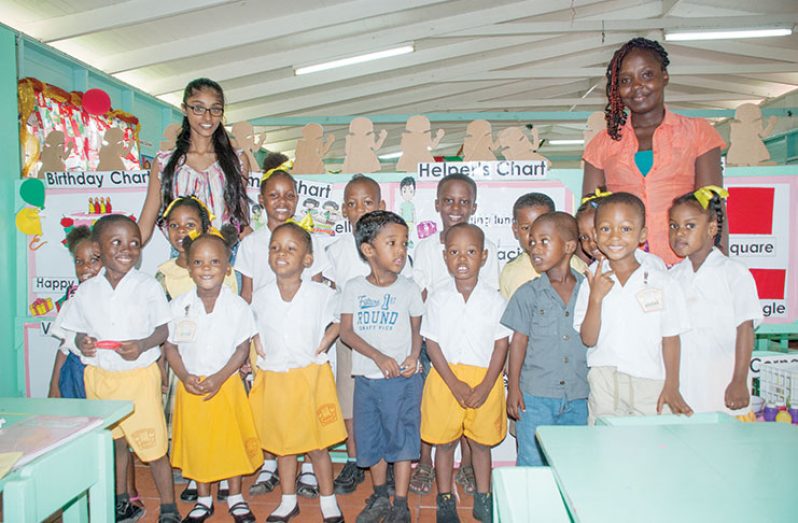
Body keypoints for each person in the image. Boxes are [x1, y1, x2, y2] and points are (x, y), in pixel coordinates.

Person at [60, 215, 179, 522]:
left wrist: (142, 344)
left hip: (138, 378)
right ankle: (122, 501)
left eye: (134, 243)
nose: (127, 249)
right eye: (117, 243)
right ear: (98, 247)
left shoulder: (147, 286)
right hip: (100, 379)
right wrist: (81, 342)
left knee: (153, 447)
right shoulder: (86, 292)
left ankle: (168, 507)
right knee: (116, 444)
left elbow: (163, 330)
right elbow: (71, 332)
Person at [582, 38, 725, 265]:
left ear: (664, 75)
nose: (637, 86)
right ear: (617, 89)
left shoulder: (698, 133)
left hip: (684, 267)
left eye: (646, 75)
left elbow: (713, 211)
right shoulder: (601, 144)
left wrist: (719, 266)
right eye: (626, 80)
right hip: (625, 269)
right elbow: (588, 218)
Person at [249, 223, 346, 523]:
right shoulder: (261, 296)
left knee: (317, 446)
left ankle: (328, 500)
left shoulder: (320, 294)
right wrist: (255, 339)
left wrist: (327, 340)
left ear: (307, 259)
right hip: (276, 378)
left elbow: (344, 317)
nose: (282, 253)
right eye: (275, 247)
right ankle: (288, 500)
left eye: (291, 249)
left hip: (310, 378)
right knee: (283, 446)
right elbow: (252, 324)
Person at [164, 229, 261, 523]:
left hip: (226, 385)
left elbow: (242, 348)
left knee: (229, 442)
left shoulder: (237, 307)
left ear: (227, 267)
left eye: (214, 262)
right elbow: (170, 347)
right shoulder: (178, 306)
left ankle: (235, 496)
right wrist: (184, 376)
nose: (206, 268)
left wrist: (219, 378)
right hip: (190, 387)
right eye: (198, 262)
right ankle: (204, 499)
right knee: (199, 445)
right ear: (189, 268)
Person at [411, 172, 498, 497]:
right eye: (449, 200)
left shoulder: (484, 247)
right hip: (433, 336)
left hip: (471, 339)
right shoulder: (424, 248)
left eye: (463, 201)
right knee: (432, 405)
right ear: (437, 205)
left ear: (474, 206)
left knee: (468, 400)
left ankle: (469, 466)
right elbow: (419, 294)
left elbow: (488, 294)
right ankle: (425, 462)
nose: (456, 207)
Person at [573, 193, 693, 424]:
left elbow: (671, 338)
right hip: (605, 382)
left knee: (650, 450)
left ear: (642, 234)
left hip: (650, 383)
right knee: (605, 450)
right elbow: (588, 339)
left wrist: (672, 385)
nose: (615, 237)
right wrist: (595, 298)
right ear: (596, 235)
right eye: (606, 229)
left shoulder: (662, 281)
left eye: (626, 229)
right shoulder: (592, 281)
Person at [421, 223, 510, 523]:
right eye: (454, 252)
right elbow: (431, 344)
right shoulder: (437, 298)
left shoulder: (495, 300)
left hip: (485, 379)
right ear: (444, 257)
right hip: (445, 380)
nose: (462, 259)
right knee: (444, 443)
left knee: (481, 444)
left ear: (483, 257)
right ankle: (445, 497)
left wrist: (486, 385)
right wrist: (454, 383)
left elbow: (501, 345)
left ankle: (483, 497)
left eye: (471, 252)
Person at [339, 211, 424, 523]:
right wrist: (377, 356)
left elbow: (417, 331)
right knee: (370, 438)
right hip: (367, 380)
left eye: (404, 243)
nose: (400, 250)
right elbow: (346, 332)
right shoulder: (353, 288)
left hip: (402, 381)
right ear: (369, 249)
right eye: (392, 243)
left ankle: (400, 502)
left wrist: (414, 357)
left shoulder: (409, 289)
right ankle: (378, 496)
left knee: (402, 440)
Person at [501, 213, 589, 467]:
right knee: (532, 459)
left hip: (578, 395)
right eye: (532, 242)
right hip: (536, 396)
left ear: (569, 247)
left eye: (544, 241)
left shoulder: (588, 290)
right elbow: (518, 342)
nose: (534, 249)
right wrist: (514, 388)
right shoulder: (528, 293)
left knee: (573, 462)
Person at [668, 187, 762, 413]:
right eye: (674, 226)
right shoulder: (672, 277)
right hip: (686, 385)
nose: (680, 233)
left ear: (711, 228)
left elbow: (745, 328)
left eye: (690, 225)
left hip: (724, 383)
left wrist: (739, 380)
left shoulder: (734, 272)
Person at [322, 175, 388, 496]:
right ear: (343, 210)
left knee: (384, 402)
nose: (360, 210)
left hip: (387, 337)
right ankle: (353, 459)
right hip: (349, 338)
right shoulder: (335, 250)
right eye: (352, 204)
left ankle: (384, 462)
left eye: (368, 203)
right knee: (349, 402)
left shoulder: (392, 244)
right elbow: (330, 290)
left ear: (382, 207)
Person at [139, 78, 251, 245]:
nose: (207, 117)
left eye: (215, 109)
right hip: (182, 260)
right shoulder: (165, 163)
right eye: (198, 108)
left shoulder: (237, 161)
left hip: (226, 258)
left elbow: (242, 222)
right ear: (184, 109)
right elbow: (144, 226)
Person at [235, 168, 328, 303]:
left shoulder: (311, 240)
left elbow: (318, 288)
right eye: (274, 195)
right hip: (263, 320)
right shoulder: (250, 243)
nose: (282, 201)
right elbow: (247, 294)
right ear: (261, 199)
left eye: (289, 196)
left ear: (296, 200)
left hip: (303, 318)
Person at [500, 193, 587, 300]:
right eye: (526, 228)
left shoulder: (578, 268)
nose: (534, 232)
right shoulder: (511, 271)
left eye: (542, 225)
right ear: (515, 230)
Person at [156, 196, 238, 300]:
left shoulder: (221, 270)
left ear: (207, 229)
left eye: (190, 225)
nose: (181, 230)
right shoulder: (164, 274)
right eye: (174, 225)